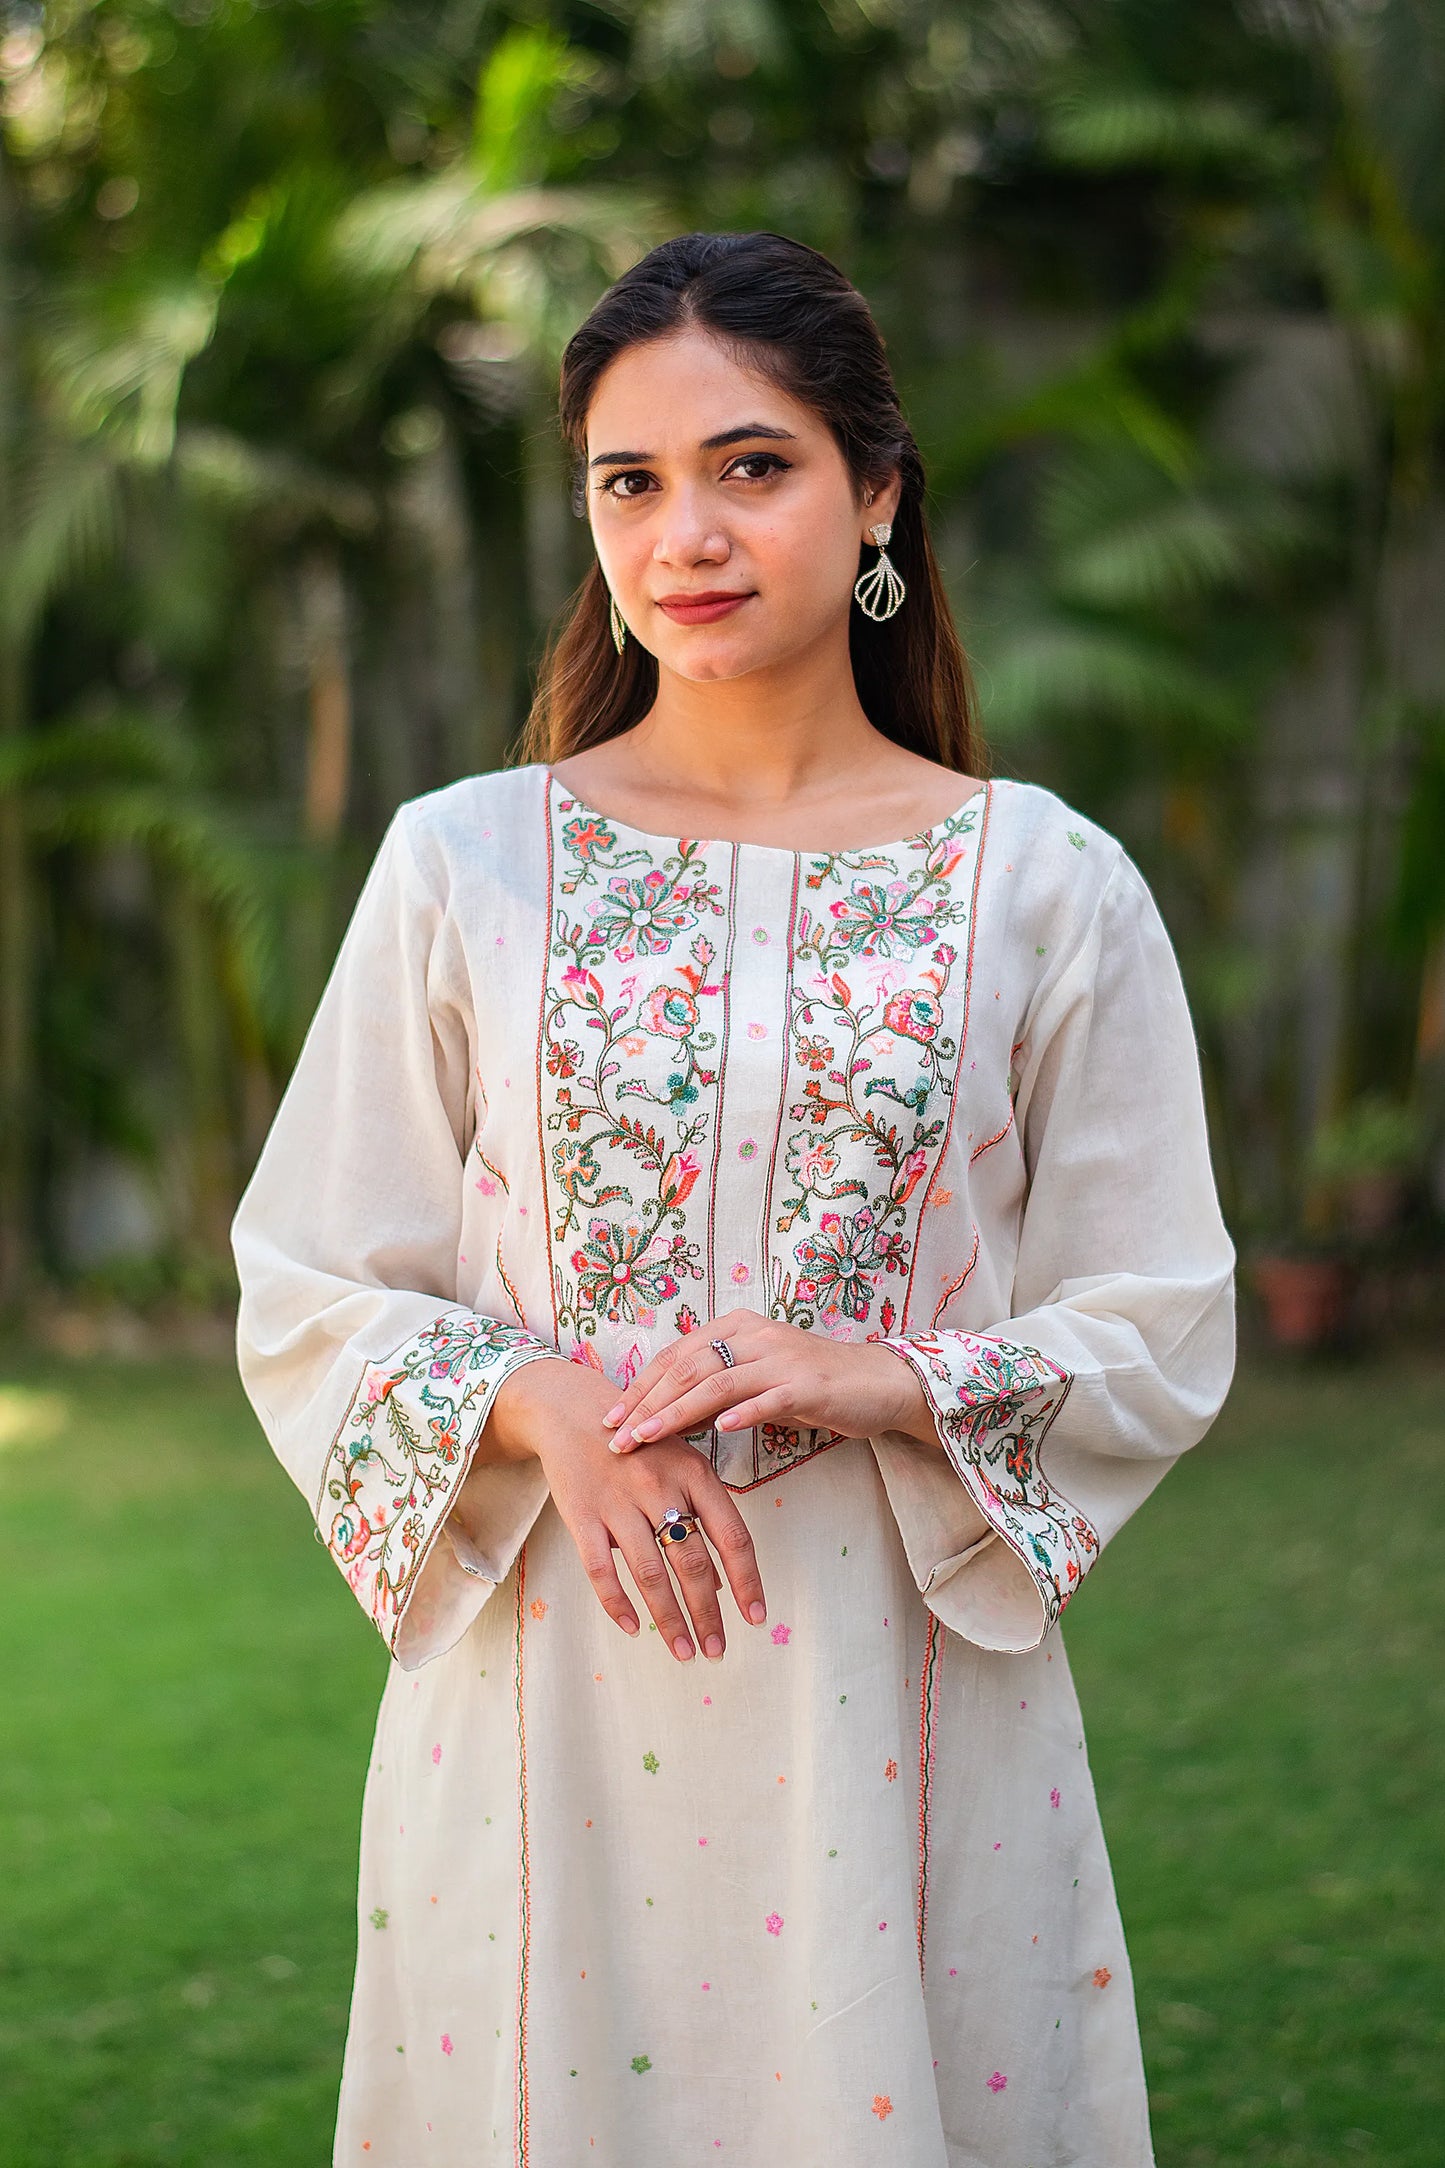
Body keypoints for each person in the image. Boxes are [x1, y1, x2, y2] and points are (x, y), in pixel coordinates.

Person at [231, 229, 1236, 2168]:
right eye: (632, 479)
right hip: (550, 1678)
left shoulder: (1046, 883)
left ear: (875, 491)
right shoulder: (466, 864)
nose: (684, 527)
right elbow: (308, 1276)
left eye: (751, 465)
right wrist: (545, 1411)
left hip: (900, 1682)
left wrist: (885, 1377)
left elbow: (1159, 1311)